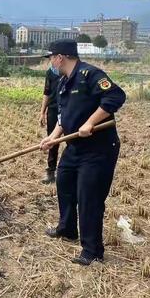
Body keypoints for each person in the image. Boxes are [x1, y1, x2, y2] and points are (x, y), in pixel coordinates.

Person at [40, 39, 126, 266]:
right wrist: (53, 136)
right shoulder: (62, 82)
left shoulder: (90, 75)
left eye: (51, 57)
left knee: (89, 198)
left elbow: (116, 97)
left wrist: (90, 123)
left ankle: (93, 251)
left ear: (60, 57)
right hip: (75, 147)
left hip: (98, 149)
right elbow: (63, 115)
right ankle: (67, 228)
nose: (50, 62)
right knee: (64, 183)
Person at [39, 54, 60, 184]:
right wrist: (42, 112)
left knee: (72, 141)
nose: (50, 60)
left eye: (51, 57)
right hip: (53, 109)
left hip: (68, 109)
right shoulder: (50, 72)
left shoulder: (70, 72)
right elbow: (46, 93)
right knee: (52, 141)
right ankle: (51, 171)